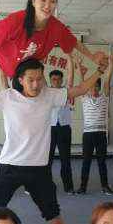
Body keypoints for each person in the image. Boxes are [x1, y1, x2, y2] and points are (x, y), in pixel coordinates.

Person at [0, 56, 108, 224]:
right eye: (31, 79)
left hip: (39, 170)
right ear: (20, 79)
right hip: (10, 168)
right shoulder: (7, 97)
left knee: (56, 221)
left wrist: (100, 70)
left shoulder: (49, 95)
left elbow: (81, 89)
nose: (36, 84)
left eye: (39, 79)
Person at [0, 0, 107, 79]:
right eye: (43, 0)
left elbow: (73, 42)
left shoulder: (56, 27)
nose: (48, 5)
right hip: (3, 53)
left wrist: (92, 56)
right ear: (33, 1)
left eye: (53, 1)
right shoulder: (18, 19)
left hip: (22, 71)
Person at [75, 54, 113, 195]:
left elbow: (107, 79)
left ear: (99, 87)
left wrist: (112, 64)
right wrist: (79, 67)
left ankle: (105, 186)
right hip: (88, 135)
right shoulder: (84, 98)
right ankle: (82, 187)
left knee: (102, 162)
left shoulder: (104, 97)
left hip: (101, 134)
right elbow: (82, 84)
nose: (94, 89)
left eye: (96, 86)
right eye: (91, 87)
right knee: (86, 162)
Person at [49, 65, 76, 194]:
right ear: (50, 81)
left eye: (58, 79)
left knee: (65, 159)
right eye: (53, 79)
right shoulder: (46, 92)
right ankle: (46, 186)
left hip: (64, 128)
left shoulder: (66, 91)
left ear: (61, 80)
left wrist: (70, 59)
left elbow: (71, 78)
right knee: (47, 159)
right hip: (50, 129)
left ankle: (68, 187)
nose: (56, 81)